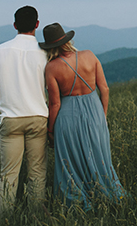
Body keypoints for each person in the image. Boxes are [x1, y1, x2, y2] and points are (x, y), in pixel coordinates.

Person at [40, 22, 128, 209]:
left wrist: (50, 130)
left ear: (49, 47)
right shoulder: (89, 56)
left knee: (71, 161)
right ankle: (107, 195)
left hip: (67, 117)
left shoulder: (52, 68)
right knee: (99, 155)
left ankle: (78, 202)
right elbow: (104, 89)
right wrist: (102, 115)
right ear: (66, 40)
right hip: (95, 111)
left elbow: (55, 104)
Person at [0, 5, 49, 218]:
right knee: (37, 173)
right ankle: (36, 218)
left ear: (14, 25)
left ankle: (2, 224)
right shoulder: (45, 53)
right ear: (37, 24)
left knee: (8, 175)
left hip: (9, 119)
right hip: (38, 117)